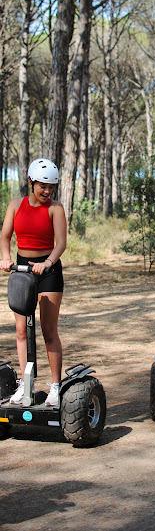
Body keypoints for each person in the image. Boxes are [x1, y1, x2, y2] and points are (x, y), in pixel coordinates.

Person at [0, 158, 67, 406]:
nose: (47, 192)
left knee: (49, 331)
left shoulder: (55, 208)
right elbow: (5, 235)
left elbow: (61, 243)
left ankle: (55, 386)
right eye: (42, 186)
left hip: (48, 271)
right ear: (31, 183)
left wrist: (47, 263)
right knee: (21, 331)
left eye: (51, 187)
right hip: (21, 270)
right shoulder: (16, 205)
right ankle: (25, 385)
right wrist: (6, 258)